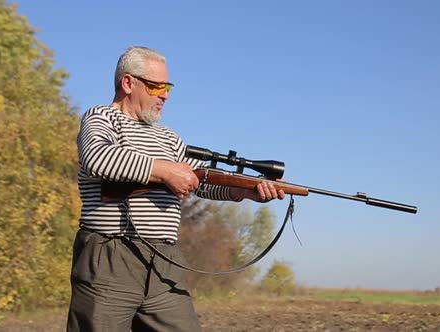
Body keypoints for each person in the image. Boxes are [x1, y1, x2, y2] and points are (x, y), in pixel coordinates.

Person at [66, 46, 285, 332]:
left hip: (164, 264)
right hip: (110, 257)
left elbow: (200, 180)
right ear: (128, 83)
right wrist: (165, 171)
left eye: (167, 86)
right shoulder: (101, 118)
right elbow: (97, 158)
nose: (165, 95)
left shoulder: (169, 138)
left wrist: (242, 191)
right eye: (157, 86)